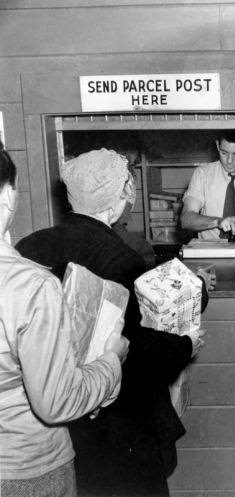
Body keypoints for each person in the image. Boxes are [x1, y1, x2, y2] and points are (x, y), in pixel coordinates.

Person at [16, 149, 205, 497]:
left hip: (55, 424)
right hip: (117, 426)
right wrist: (185, 345)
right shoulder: (118, 257)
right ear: (117, 199)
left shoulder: (30, 245)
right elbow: (139, 347)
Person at [0, 143, 129, 497]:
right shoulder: (30, 283)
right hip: (29, 466)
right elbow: (56, 401)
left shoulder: (33, 244)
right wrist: (112, 359)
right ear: (9, 196)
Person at [180, 132, 235, 240]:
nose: (229, 161)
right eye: (224, 153)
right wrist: (218, 221)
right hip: (210, 249)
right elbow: (186, 219)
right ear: (218, 146)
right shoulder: (203, 174)